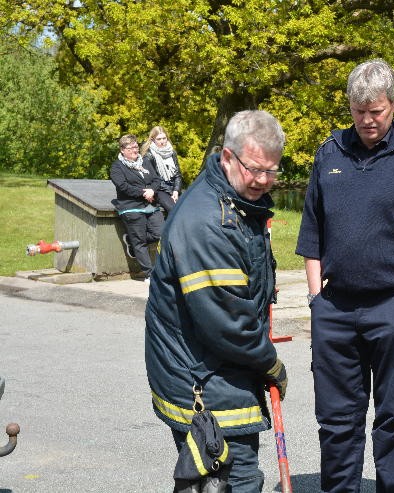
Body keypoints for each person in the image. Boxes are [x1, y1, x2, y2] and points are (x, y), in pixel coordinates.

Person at [296, 59, 394, 493]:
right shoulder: (330, 152)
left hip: (392, 308)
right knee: (336, 423)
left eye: (377, 112)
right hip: (335, 309)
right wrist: (316, 301)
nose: (367, 121)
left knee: (391, 421)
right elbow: (311, 235)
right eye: (359, 111)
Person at [144, 110, 289, 492]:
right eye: (254, 168)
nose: (262, 180)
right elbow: (228, 323)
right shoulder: (207, 223)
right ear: (227, 157)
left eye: (271, 171)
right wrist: (271, 365)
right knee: (236, 481)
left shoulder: (235, 200)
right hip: (201, 379)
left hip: (216, 368)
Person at [110, 134, 164, 281]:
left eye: (136, 146)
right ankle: (149, 274)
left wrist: (152, 190)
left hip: (151, 204)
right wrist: (143, 193)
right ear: (122, 150)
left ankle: (132, 240)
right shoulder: (117, 166)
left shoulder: (145, 162)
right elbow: (123, 186)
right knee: (139, 241)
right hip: (131, 206)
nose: (135, 149)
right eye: (131, 147)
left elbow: (156, 179)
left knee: (161, 234)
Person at [141, 125, 183, 214]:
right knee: (175, 210)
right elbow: (151, 179)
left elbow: (178, 174)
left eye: (164, 138)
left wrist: (176, 191)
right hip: (159, 190)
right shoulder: (149, 156)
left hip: (173, 188)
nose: (162, 141)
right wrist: (170, 192)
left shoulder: (172, 152)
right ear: (153, 140)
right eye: (159, 139)